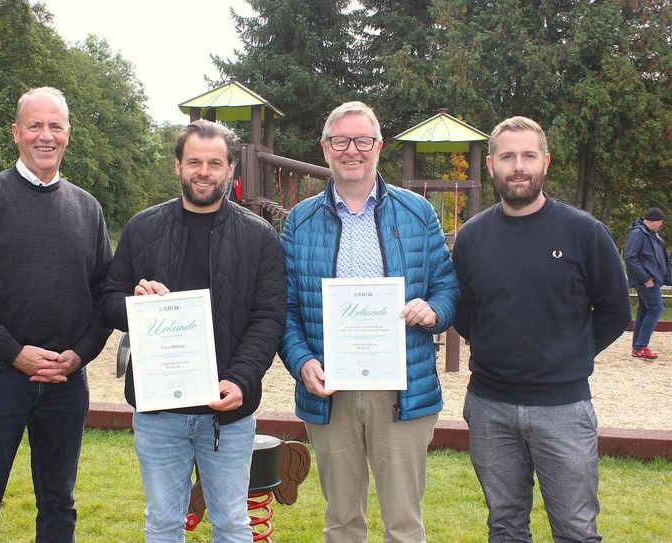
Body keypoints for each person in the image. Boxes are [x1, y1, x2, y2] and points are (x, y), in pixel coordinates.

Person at [280, 101, 460, 542]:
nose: (351, 150)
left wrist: (434, 311)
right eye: (340, 141)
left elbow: (448, 286)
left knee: (403, 522)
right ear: (325, 148)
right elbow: (283, 309)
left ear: (379, 147)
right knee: (341, 521)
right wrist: (302, 362)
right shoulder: (300, 222)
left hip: (402, 390)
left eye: (362, 140)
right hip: (329, 391)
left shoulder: (417, 213)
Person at [0, 86, 113, 542]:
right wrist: (13, 352)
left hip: (64, 382)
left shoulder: (87, 208)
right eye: (35, 125)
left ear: (68, 134)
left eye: (55, 126)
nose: (45, 136)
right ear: (16, 133)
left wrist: (79, 355)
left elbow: (103, 295)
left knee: (59, 505)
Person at [102, 119, 286, 542]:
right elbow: (108, 302)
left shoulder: (259, 237)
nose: (204, 171)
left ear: (230, 170)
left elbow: (269, 317)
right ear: (178, 167)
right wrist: (135, 303)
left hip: (228, 412)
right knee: (164, 523)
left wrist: (242, 379)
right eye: (195, 162)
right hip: (158, 411)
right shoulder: (142, 228)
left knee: (232, 523)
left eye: (215, 163)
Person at [452, 116, 631, 542]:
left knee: (574, 529)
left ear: (545, 162)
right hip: (490, 405)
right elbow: (462, 309)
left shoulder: (584, 232)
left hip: (564, 408)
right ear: (491, 165)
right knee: (506, 526)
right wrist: (498, 344)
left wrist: (570, 352)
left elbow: (614, 310)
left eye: (528, 156)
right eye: (507, 156)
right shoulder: (473, 237)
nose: (518, 166)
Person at [624, 207, 670, 360]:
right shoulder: (638, 233)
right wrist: (645, 277)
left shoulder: (652, 235)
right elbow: (630, 258)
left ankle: (637, 347)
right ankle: (641, 346)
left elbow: (660, 258)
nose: (661, 225)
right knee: (656, 308)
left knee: (644, 311)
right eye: (660, 222)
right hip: (646, 280)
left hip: (653, 279)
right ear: (653, 220)